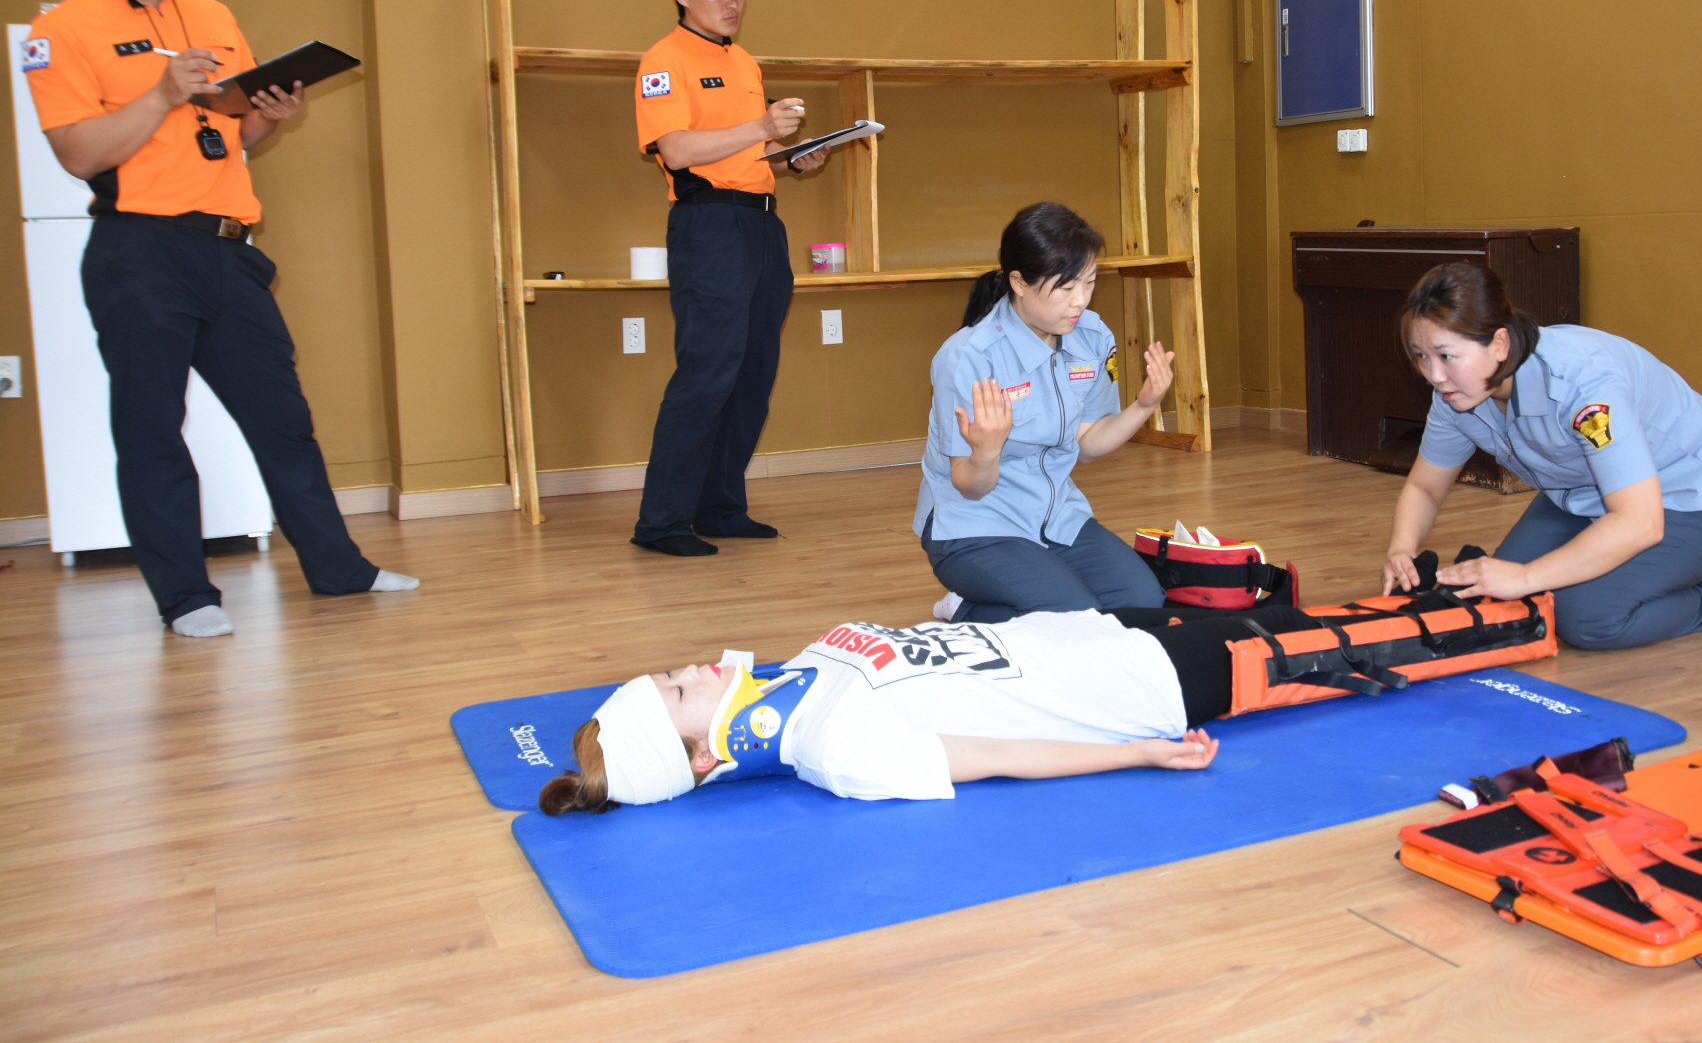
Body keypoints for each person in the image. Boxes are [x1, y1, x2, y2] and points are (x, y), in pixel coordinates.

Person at [25, 0, 417, 638]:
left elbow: (235, 134)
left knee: (283, 418)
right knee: (152, 429)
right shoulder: (60, 31)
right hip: (139, 251)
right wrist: (162, 93)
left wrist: (270, 112)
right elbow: (77, 153)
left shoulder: (212, 14)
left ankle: (338, 567)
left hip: (229, 249)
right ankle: (186, 597)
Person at [539, 602, 1341, 811]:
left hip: (1088, 630)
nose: (691, 668)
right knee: (1354, 639)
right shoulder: (837, 750)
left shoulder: (803, 672)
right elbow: (996, 757)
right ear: (706, 754)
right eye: (681, 689)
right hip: (1140, 687)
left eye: (670, 672)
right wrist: (1139, 752)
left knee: (1301, 612)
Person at [1381, 262, 1702, 651]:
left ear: (1500, 344)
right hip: (1583, 490)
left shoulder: (1585, 387)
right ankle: (1646, 574)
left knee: (1588, 619)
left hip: (1688, 492)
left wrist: (1526, 576)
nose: (1433, 375)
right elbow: (1426, 487)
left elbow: (1640, 521)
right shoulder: (1455, 394)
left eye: (1446, 356)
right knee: (1507, 600)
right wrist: (1402, 548)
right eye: (1421, 356)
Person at [629, 0, 830, 557]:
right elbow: (676, 150)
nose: (733, 1)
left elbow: (752, 148)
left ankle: (719, 506)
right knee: (707, 371)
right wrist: (761, 126)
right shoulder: (664, 61)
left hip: (762, 226)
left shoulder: (743, 63)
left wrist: (793, 155)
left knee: (752, 372)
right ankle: (662, 522)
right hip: (708, 226)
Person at [914, 203, 1176, 625]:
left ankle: (1021, 599)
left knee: (1142, 602)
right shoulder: (969, 356)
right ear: (1018, 281)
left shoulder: (1092, 336)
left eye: (1089, 282)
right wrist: (986, 451)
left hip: (1056, 517)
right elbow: (969, 487)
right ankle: (967, 609)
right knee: (1073, 618)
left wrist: (1144, 405)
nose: (1080, 300)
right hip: (973, 525)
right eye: (1065, 287)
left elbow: (1087, 445)